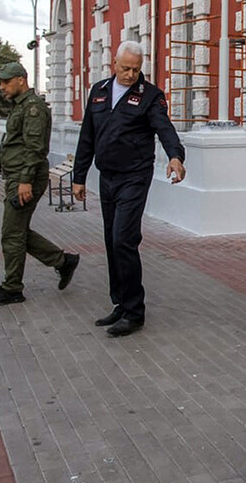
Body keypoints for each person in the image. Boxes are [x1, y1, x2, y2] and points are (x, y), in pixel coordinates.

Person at [72, 41, 186, 337]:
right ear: (114, 63)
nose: (131, 74)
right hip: (107, 176)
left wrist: (176, 156)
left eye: (136, 69)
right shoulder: (98, 92)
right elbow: (87, 137)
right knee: (111, 239)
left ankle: (135, 312)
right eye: (125, 68)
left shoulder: (150, 96)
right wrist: (79, 176)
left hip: (134, 177)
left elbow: (165, 129)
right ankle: (120, 303)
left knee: (124, 238)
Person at [0, 62, 80, 306]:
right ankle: (62, 261)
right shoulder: (20, 106)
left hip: (26, 179)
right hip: (17, 175)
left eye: (6, 81)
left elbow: (35, 148)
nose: (1, 86)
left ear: (21, 80)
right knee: (17, 231)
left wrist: (25, 181)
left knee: (11, 234)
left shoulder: (33, 108)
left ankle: (12, 287)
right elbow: (18, 142)